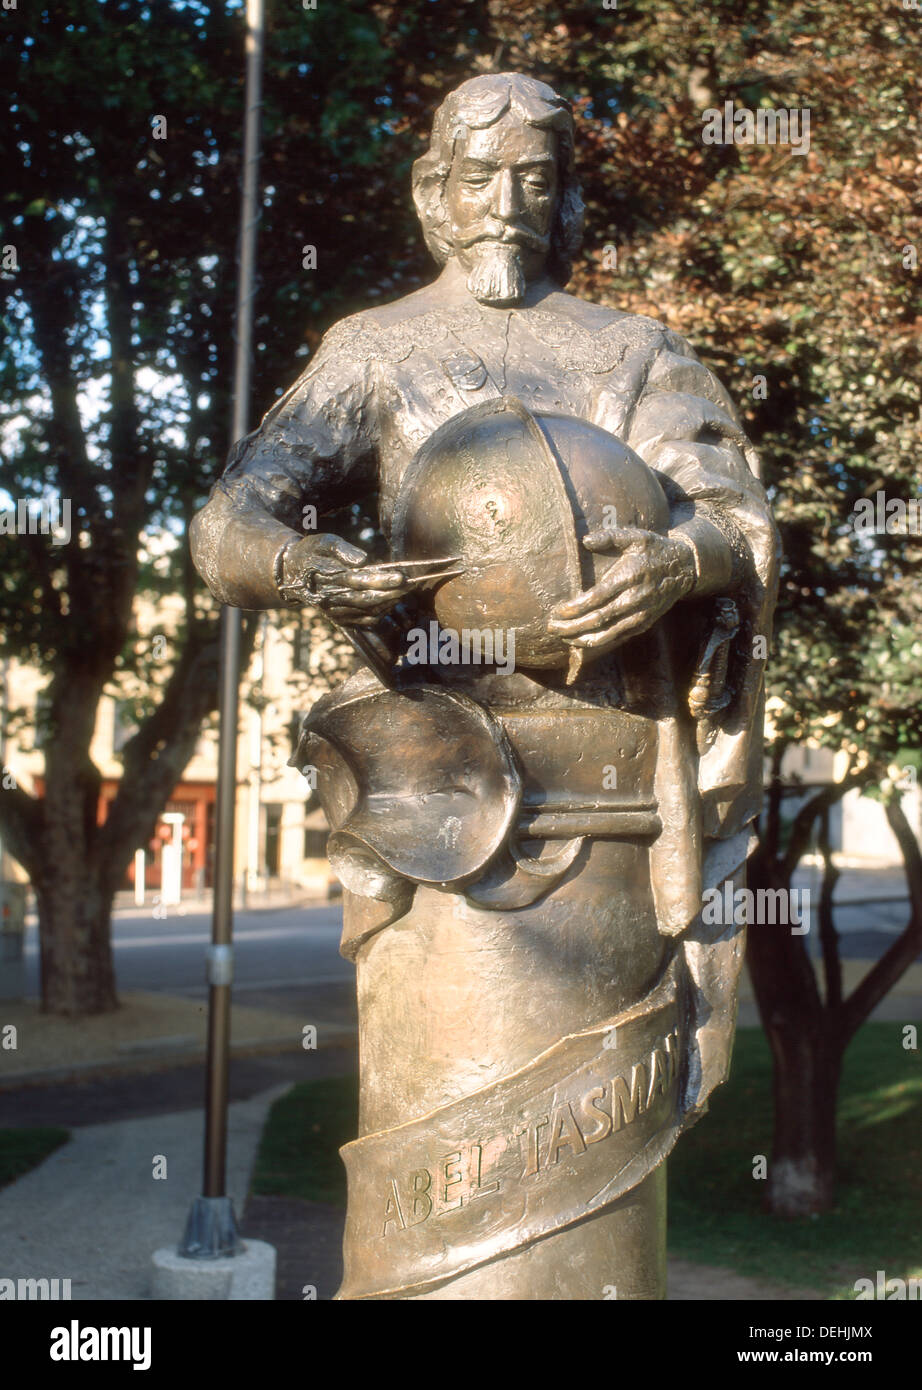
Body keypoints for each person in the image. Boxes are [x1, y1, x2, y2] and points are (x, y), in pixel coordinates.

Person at [191, 73, 779, 1300]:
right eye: (476, 177)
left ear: (564, 197)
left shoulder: (634, 351)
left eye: (534, 177)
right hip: (437, 809)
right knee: (439, 1200)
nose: (505, 203)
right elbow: (228, 524)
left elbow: (740, 517)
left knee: (599, 1216)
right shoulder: (376, 350)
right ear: (431, 198)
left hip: (614, 807)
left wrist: (682, 556)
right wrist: (307, 563)